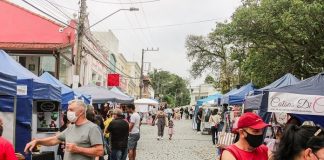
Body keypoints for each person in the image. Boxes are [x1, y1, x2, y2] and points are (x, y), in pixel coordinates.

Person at [24, 99, 104, 160]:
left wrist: (78, 149)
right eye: (68, 109)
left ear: (81, 112)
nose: (68, 112)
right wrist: (38, 141)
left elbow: (100, 151)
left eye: (71, 110)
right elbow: (54, 140)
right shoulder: (71, 128)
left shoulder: (92, 128)